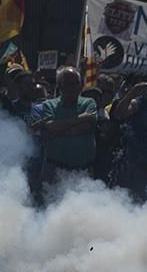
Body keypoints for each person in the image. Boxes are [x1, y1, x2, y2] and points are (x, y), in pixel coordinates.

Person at [27, 67, 99, 204]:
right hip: (55, 170)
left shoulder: (89, 103)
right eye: (69, 84)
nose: (74, 87)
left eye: (76, 83)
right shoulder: (50, 105)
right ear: (60, 87)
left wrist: (60, 130)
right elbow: (51, 128)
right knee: (50, 208)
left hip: (83, 170)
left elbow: (88, 125)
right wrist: (80, 119)